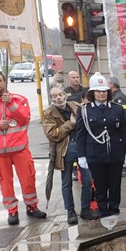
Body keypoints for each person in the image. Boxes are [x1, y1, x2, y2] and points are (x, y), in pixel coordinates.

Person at [0, 69, 47, 225]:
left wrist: (10, 104)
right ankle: (12, 211)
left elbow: (24, 119)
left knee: (28, 180)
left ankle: (32, 207)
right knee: (5, 183)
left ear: (5, 82)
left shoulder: (19, 100)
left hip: (20, 150)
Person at [75, 73, 126, 218]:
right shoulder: (84, 110)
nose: (101, 94)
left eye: (104, 91)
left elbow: (123, 131)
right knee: (100, 185)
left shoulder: (117, 108)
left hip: (115, 152)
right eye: (98, 91)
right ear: (92, 93)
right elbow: (80, 134)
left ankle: (114, 208)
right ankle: (102, 209)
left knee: (115, 184)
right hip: (95, 153)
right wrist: (80, 156)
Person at [42, 86, 97, 225]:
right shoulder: (48, 113)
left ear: (65, 95)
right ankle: (70, 211)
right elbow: (52, 135)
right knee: (66, 183)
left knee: (87, 179)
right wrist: (70, 123)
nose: (58, 98)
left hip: (81, 147)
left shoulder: (76, 106)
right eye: (54, 96)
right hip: (64, 150)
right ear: (51, 99)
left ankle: (85, 209)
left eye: (60, 94)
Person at [108, 76, 126, 177]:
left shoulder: (119, 97)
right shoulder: (115, 95)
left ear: (112, 85)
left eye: (107, 83)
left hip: (120, 127)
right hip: (120, 126)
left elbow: (124, 114)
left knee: (123, 145)